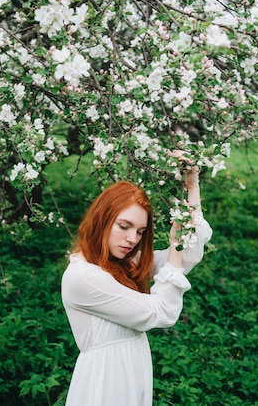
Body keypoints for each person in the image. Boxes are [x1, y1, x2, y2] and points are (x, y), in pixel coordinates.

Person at [61, 160, 213, 406]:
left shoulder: (120, 261)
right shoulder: (83, 277)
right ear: (102, 220)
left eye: (141, 231)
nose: (132, 239)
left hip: (130, 372)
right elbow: (162, 311)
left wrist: (192, 187)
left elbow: (186, 257)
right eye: (124, 226)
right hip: (106, 382)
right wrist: (175, 245)